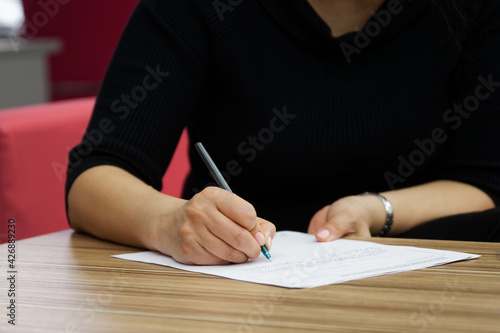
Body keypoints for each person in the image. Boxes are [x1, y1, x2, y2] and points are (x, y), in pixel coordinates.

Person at [66, 0, 500, 265]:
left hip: (425, 291)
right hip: (234, 290)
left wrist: (376, 210)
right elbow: (94, 178)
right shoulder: (199, 8)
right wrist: (169, 223)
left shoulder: (471, 10)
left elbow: (486, 179)